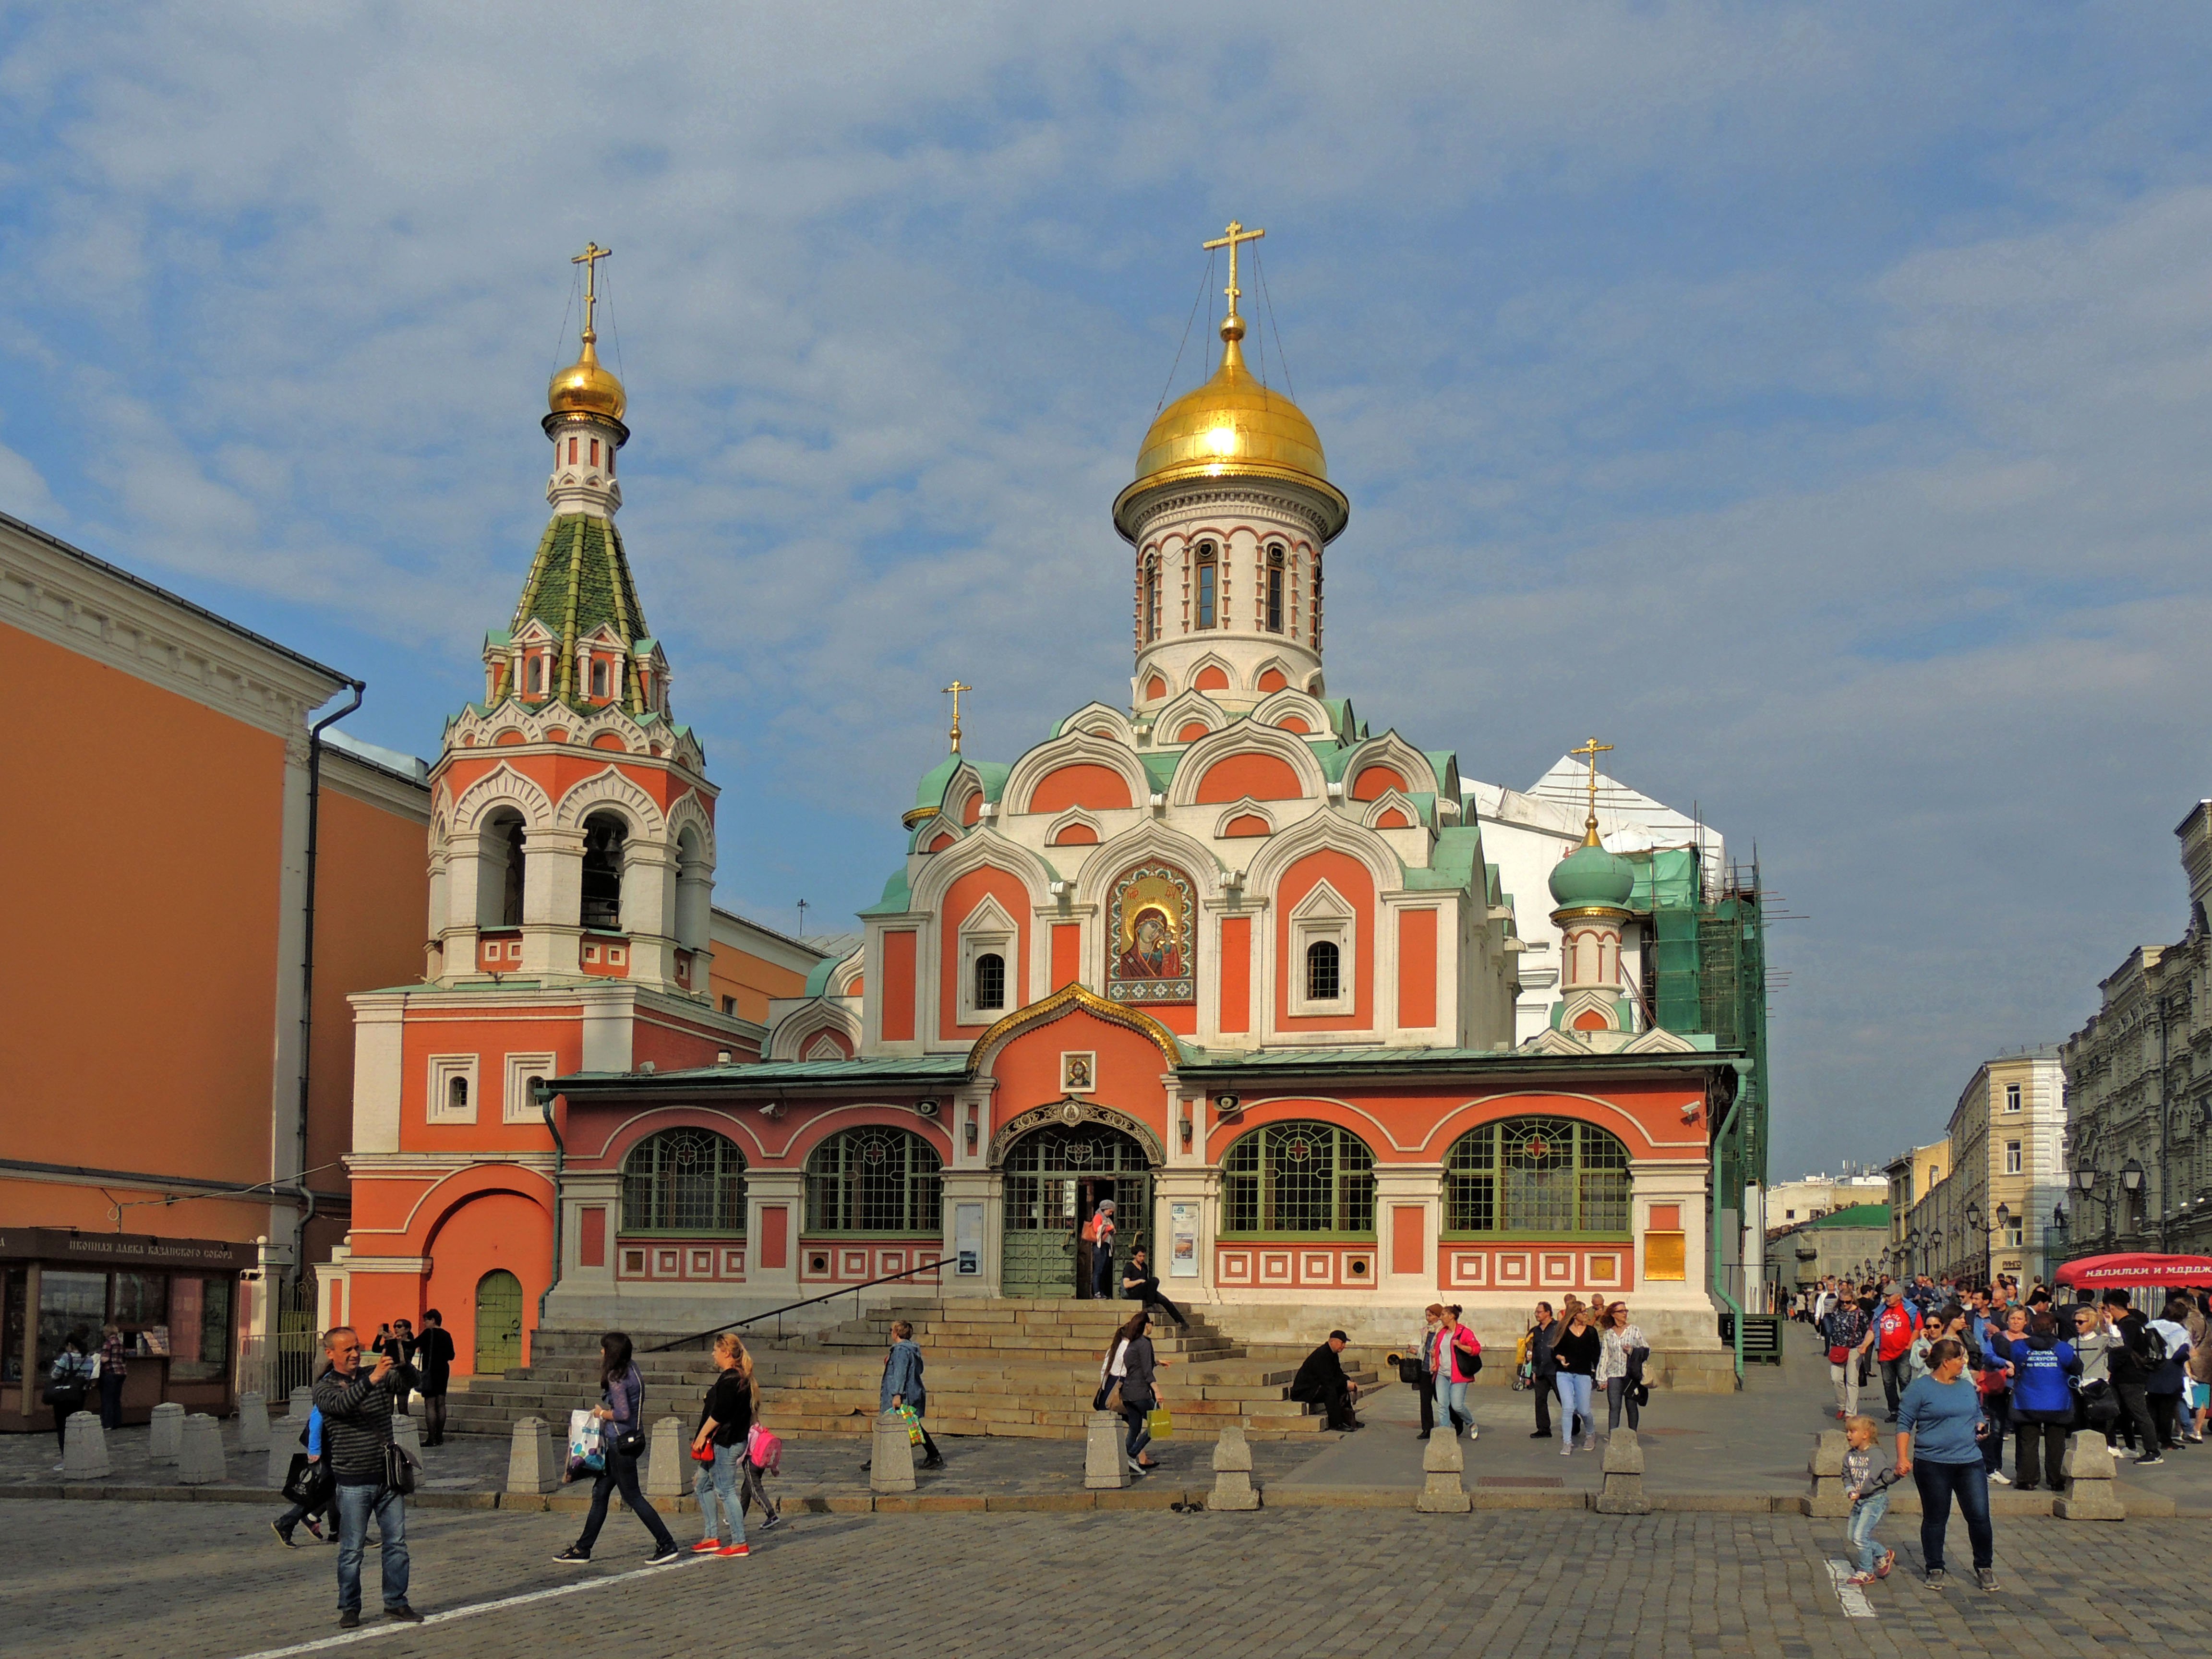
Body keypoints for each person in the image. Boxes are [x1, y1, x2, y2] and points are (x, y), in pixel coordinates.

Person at [313, 1326, 421, 1627]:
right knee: (351, 1550)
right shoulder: (325, 1387)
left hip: (388, 1478)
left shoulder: (375, 1374)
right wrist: (372, 1380)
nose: (355, 1354)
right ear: (330, 1353)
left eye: (357, 1348)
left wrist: (401, 1359)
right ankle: (350, 1608)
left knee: (397, 1544)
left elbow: (413, 1383)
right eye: (347, 1349)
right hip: (352, 1482)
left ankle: (396, 1603)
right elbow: (342, 1407)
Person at [553, 1332, 679, 1565]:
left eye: (604, 1349)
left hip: (620, 1443)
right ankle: (583, 1548)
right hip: (634, 1438)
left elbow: (622, 1414)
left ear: (611, 1353)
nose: (601, 1353)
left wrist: (601, 1413)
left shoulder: (617, 1377)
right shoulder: (633, 1369)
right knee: (600, 1493)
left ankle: (667, 1543)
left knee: (633, 1496)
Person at [1896, 1336, 1996, 1592]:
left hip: (1970, 1461)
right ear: (1945, 1362)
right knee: (1935, 1518)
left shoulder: (1965, 1385)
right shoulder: (1920, 1389)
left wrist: (1980, 1424)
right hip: (1933, 1463)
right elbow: (1904, 1423)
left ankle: (1984, 1566)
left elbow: (1975, 1412)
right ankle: (1935, 1567)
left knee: (1980, 1517)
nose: (1964, 1362)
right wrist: (1903, 1457)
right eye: (1960, 1358)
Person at [1995, 1309, 2078, 1493]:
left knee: (2027, 1442)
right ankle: (2057, 1480)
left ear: (2032, 1327)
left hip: (2027, 1401)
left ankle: (2027, 1480)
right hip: (2057, 1402)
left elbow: (2002, 1348)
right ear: (2053, 1328)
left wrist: (1996, 1335)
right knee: (2056, 1443)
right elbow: (2077, 1367)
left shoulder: (2019, 1346)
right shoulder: (2063, 1348)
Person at [690, 1332, 756, 1557]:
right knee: (701, 1485)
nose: (713, 1355)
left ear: (726, 1353)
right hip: (723, 1442)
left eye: (716, 1351)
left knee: (726, 1490)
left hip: (726, 1443)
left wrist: (701, 1436)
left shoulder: (732, 1379)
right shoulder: (738, 1377)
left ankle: (739, 1541)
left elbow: (719, 1414)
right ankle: (711, 1536)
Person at [2102, 1290, 2163, 1464]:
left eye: (2106, 1308)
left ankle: (2153, 1452)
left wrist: (2110, 1367)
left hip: (2130, 1376)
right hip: (2128, 1375)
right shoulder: (2134, 1322)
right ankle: (2130, 1447)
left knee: (2139, 1413)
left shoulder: (2127, 1326)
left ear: (2112, 1307)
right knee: (2120, 1412)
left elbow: (2121, 1350)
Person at [1103, 1309, 1166, 1472]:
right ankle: (1131, 1453)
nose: (1152, 1326)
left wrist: (1157, 1362)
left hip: (1128, 1393)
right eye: (1151, 1323)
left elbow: (1137, 1366)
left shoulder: (1132, 1344)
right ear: (1146, 1325)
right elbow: (1146, 1372)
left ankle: (1123, 1457)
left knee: (1135, 1428)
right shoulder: (1145, 1343)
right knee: (1158, 1424)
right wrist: (1157, 1391)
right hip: (1140, 1392)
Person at [1839, 1414, 1897, 1587]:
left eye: (1853, 1431)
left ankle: (1866, 1571)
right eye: (1847, 1431)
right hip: (1860, 1500)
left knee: (1860, 1536)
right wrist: (1850, 1490)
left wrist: (1898, 1474)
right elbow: (1846, 1476)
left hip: (1875, 1499)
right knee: (1852, 1536)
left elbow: (1886, 1477)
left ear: (1865, 1435)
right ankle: (1883, 1554)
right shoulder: (1849, 1456)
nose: (1849, 1435)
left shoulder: (1876, 1455)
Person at [880, 1319, 944, 1470]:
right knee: (911, 1424)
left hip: (904, 1394)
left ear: (896, 1332)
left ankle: (933, 1454)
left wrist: (897, 1394)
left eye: (891, 1330)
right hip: (912, 1391)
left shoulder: (901, 1351)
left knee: (901, 1424)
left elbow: (900, 1373)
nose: (891, 1333)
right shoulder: (912, 1349)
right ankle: (933, 1454)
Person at [1977, 1305, 2027, 1484]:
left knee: (2023, 1430)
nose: (2016, 1322)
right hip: (2000, 1387)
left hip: (2022, 1390)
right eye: (2013, 1318)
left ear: (2026, 1321)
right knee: (1997, 1429)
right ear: (2007, 1320)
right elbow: (1988, 1357)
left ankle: (2024, 1470)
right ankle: (1994, 1468)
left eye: (2020, 1319)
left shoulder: (2030, 1340)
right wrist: (2005, 1363)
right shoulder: (1999, 1338)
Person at [272, 1394, 330, 1547]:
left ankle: (294, 1521)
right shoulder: (333, 1381)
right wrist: (315, 1449)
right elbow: (317, 1418)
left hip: (337, 1446)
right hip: (328, 1447)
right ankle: (291, 1521)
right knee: (328, 1489)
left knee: (329, 1490)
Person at [1551, 1306, 1601, 1455]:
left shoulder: (1591, 1332)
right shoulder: (1564, 1331)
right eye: (1583, 1312)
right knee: (1568, 1408)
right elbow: (1554, 1351)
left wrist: (1599, 1376)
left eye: (1586, 1312)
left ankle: (1591, 1434)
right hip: (1564, 1374)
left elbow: (1597, 1356)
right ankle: (1567, 1442)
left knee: (1584, 1410)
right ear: (1574, 1315)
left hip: (1583, 1374)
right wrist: (1560, 1358)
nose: (1586, 1314)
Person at [2147, 1297, 2195, 1453]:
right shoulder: (2181, 1331)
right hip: (2171, 1371)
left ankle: (2151, 1438)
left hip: (2152, 1368)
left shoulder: (2151, 1325)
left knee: (2151, 1408)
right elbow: (2181, 1354)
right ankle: (2166, 1441)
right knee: (2167, 1410)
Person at [1289, 1330, 1362, 1431]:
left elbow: (1338, 1374)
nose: (1344, 1346)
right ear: (1333, 1341)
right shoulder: (1322, 1354)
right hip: (1304, 1392)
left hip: (1315, 1388)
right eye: (1342, 1343)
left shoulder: (1333, 1354)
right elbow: (1327, 1379)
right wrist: (1345, 1384)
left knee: (1340, 1388)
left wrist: (1348, 1382)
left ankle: (1349, 1419)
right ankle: (1336, 1423)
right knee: (1330, 1389)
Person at [46, 1329, 97, 1471]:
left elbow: (56, 1375)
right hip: (78, 1395)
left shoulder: (66, 1357)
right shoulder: (88, 1359)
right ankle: (78, 1455)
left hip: (63, 1395)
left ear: (70, 1345)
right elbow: (88, 1377)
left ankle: (66, 1458)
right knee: (76, 1424)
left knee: (63, 1427)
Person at [1428, 1304, 1480, 1439]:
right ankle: (1445, 1433)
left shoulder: (1465, 1332)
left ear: (1452, 1316)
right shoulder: (1442, 1333)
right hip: (1442, 1374)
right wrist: (1435, 1360)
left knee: (1457, 1406)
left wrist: (1460, 1346)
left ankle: (1471, 1423)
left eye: (1444, 1315)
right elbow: (1439, 1351)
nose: (1441, 1317)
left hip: (1459, 1375)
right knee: (1443, 1405)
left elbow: (1476, 1349)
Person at [1872, 1286, 1920, 1422]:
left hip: (1903, 1351)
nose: (1886, 1298)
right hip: (1885, 1353)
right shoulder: (1881, 1311)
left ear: (1899, 1296)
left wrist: (1910, 1345)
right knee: (1889, 1383)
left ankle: (1906, 1411)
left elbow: (1917, 1328)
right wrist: (1865, 1345)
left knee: (1905, 1381)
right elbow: (1873, 1329)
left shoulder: (1910, 1310)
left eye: (1889, 1295)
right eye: (1885, 1296)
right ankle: (1894, 1411)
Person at [1821, 1292, 1871, 1420]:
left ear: (1853, 1300)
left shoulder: (1860, 1314)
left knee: (1852, 1381)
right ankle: (1842, 1405)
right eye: (1843, 1302)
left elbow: (1867, 1330)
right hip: (1838, 1348)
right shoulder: (1836, 1311)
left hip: (1854, 1348)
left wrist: (1865, 1345)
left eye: (1848, 1302)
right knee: (1836, 1378)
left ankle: (1851, 1412)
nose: (1845, 1304)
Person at [1599, 1303, 1647, 1434]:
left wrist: (1632, 1351)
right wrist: (1601, 1378)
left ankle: (1633, 1434)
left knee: (1631, 1405)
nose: (1625, 1313)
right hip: (1614, 1374)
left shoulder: (1634, 1330)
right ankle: (1613, 1435)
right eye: (1621, 1311)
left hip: (1631, 1374)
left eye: (1626, 1311)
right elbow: (1605, 1356)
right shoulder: (1609, 1334)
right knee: (1614, 1406)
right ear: (1613, 1314)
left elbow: (1646, 1350)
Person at [412, 1310, 456, 1446]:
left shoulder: (428, 1334)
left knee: (430, 1404)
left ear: (433, 1320)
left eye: (426, 1320)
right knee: (441, 1403)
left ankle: (432, 1438)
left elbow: (413, 1345)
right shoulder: (446, 1335)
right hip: (443, 1370)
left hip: (430, 1371)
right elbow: (451, 1356)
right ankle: (440, 1436)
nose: (424, 1323)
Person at [1119, 1246, 1188, 1327]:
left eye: (1143, 1256)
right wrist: (1139, 1281)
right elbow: (1127, 1284)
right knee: (1154, 1280)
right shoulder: (1129, 1266)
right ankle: (1150, 1305)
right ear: (1135, 1256)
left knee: (1164, 1300)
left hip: (1144, 1291)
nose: (1142, 1258)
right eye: (1140, 1256)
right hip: (1133, 1292)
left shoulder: (1144, 1266)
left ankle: (1181, 1321)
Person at [1527, 1302, 1561, 1440]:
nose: (1537, 1314)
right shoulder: (1536, 1330)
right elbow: (1535, 1350)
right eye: (1536, 1312)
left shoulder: (1557, 1327)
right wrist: (1533, 1371)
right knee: (1540, 1400)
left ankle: (1574, 1423)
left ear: (1548, 1313)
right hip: (1541, 1370)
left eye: (1539, 1312)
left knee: (1563, 1399)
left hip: (1555, 1369)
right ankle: (1543, 1429)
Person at [372, 1321, 417, 1421]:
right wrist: (380, 1337)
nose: (396, 1328)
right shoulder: (393, 1341)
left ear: (407, 1329)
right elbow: (375, 1349)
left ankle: (406, 1431)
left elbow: (404, 1359)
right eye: (395, 1326)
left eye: (399, 1326)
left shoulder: (411, 1344)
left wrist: (396, 1343)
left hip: (403, 1376)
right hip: (390, 1375)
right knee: (389, 1407)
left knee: (403, 1407)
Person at [1412, 1306, 1442, 1441]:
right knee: (1425, 1401)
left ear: (1438, 1316)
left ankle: (1456, 1422)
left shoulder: (1443, 1331)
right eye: (1427, 1316)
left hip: (1439, 1371)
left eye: (1430, 1316)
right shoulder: (1426, 1331)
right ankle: (1427, 1429)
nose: (1428, 1319)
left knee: (1442, 1400)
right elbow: (1424, 1350)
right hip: (1425, 1369)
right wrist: (1415, 1352)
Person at [97, 1322, 129, 1431]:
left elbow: (104, 1359)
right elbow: (124, 1358)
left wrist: (97, 1357)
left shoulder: (108, 1343)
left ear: (107, 1332)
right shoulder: (120, 1343)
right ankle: (117, 1422)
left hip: (111, 1373)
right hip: (122, 1373)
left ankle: (108, 1424)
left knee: (107, 1399)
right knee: (116, 1399)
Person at [1086, 1200, 1118, 1299]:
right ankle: (1097, 1292)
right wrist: (1110, 1228)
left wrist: (1112, 1229)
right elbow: (1097, 1229)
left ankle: (1102, 1291)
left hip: (1106, 1245)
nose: (1111, 1213)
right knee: (1098, 1270)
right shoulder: (1098, 1216)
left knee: (1103, 1270)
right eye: (1110, 1211)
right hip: (1100, 1246)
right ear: (1105, 1209)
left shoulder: (1107, 1219)